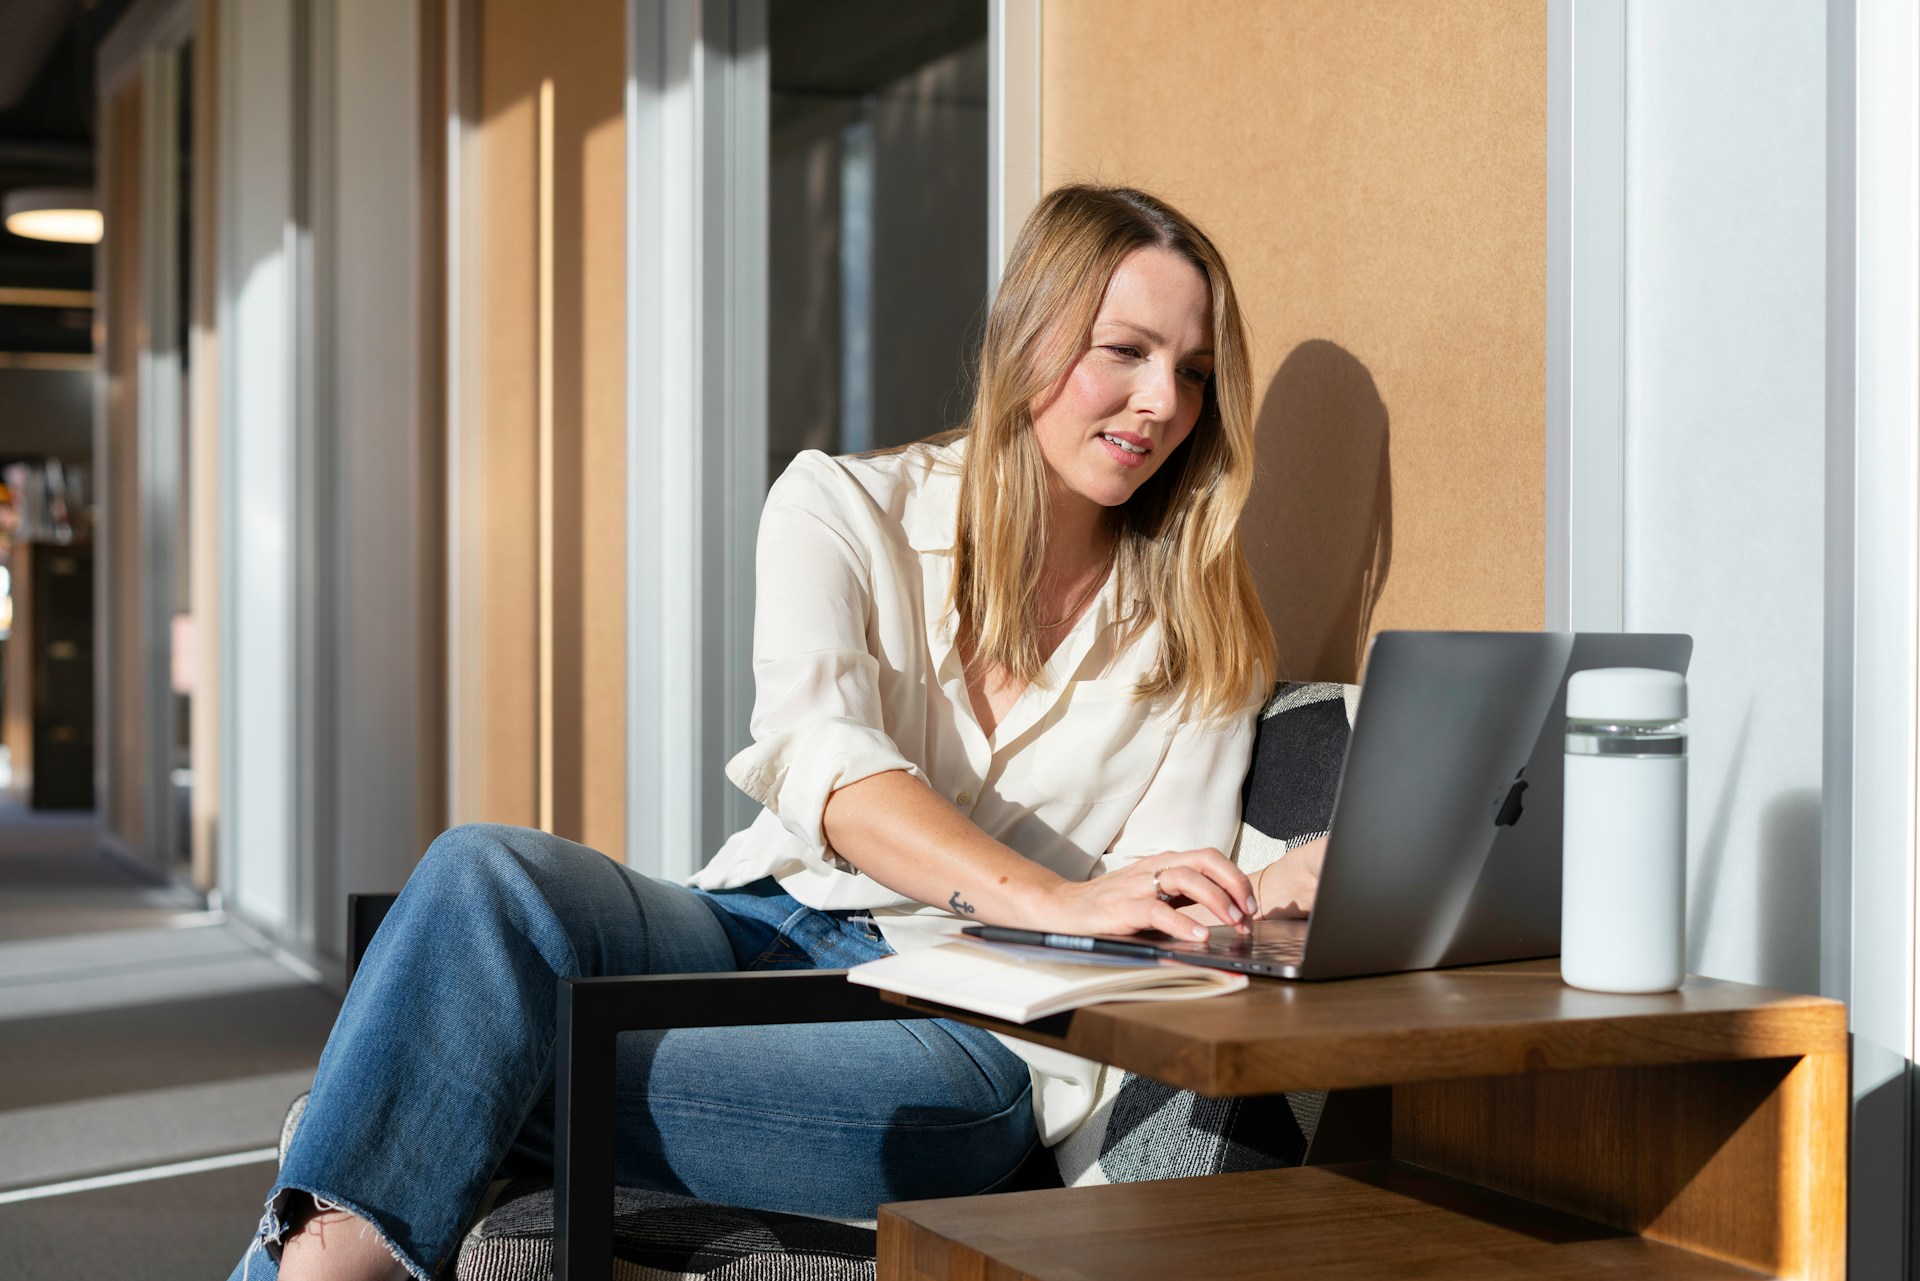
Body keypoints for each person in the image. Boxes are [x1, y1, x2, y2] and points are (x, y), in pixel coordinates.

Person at [231, 183, 1326, 1281]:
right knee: (484, 874)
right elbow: (828, 767)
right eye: (1126, 351)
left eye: (1191, 373)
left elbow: (1162, 891)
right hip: (758, 923)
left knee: (440, 1056)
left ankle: (361, 1161)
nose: (1159, 404)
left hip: (961, 1033)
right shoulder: (843, 509)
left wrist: (1284, 886)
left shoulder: (1201, 626)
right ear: (1029, 338)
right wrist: (1048, 893)